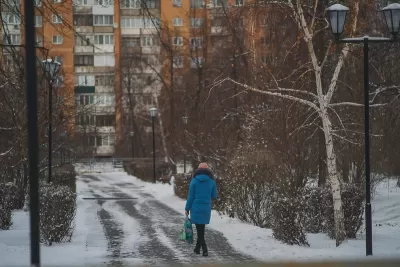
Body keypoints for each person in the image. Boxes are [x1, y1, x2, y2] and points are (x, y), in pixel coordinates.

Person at [185, 162, 218, 256]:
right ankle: (197, 249)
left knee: (200, 230)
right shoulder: (212, 181)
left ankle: (205, 249)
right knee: (201, 228)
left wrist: (187, 208)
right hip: (206, 207)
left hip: (195, 207)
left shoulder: (194, 181)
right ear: (208, 171)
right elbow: (214, 195)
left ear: (198, 170)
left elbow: (190, 197)